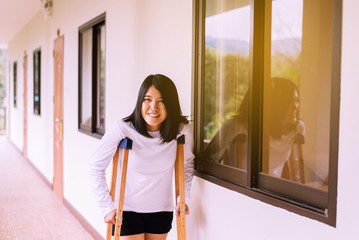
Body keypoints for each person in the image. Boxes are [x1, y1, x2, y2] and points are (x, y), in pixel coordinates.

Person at [90, 74, 194, 240]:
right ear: (140, 101)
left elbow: (186, 166)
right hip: (126, 211)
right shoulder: (123, 128)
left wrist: (184, 198)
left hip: (161, 211)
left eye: (162, 101)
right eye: (148, 99)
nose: (154, 107)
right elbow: (96, 165)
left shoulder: (181, 129)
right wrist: (106, 207)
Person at [203, 77, 305, 179]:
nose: (295, 106)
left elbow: (297, 168)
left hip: (273, 190)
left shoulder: (297, 129)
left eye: (296, 100)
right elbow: (207, 161)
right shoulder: (237, 126)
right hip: (238, 189)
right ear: (274, 104)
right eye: (288, 102)